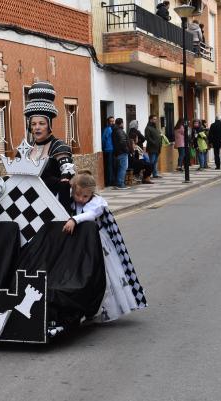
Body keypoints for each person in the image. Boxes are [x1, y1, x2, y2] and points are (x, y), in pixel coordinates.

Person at [62, 170, 146, 322]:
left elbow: (90, 215)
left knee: (106, 276)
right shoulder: (71, 198)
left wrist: (74, 220)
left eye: (85, 196)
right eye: (78, 195)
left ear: (92, 194)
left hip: (99, 244)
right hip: (80, 243)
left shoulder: (97, 203)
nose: (81, 199)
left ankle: (106, 309)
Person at [23, 81, 75, 211]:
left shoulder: (58, 146)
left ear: (49, 125)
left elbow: (67, 171)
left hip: (52, 203)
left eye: (41, 123)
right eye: (34, 124)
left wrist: (64, 178)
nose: (37, 128)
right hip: (26, 202)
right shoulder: (25, 148)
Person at [111, 118, 130, 189]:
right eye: (123, 123)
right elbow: (122, 142)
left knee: (120, 168)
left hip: (117, 152)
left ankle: (119, 183)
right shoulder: (120, 131)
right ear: (121, 123)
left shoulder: (114, 130)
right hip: (122, 152)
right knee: (123, 168)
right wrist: (127, 150)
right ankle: (120, 183)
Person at [102, 116, 115, 187]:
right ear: (108, 122)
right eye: (111, 121)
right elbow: (103, 140)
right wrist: (104, 148)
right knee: (109, 166)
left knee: (112, 166)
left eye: (113, 121)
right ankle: (109, 181)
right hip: (108, 150)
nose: (112, 122)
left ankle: (112, 180)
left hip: (113, 150)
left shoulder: (113, 129)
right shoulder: (107, 129)